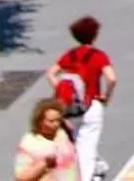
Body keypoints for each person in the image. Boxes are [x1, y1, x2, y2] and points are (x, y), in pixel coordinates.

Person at [51, 17, 116, 181]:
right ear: (94, 35)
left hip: (70, 107)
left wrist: (62, 91)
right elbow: (112, 78)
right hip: (91, 105)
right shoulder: (98, 55)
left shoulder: (69, 55)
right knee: (87, 145)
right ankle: (89, 176)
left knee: (78, 140)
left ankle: (98, 166)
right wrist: (106, 97)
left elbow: (50, 73)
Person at [13, 100, 79, 181]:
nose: (56, 124)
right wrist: (44, 163)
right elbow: (21, 178)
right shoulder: (29, 142)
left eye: (58, 120)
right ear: (39, 121)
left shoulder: (63, 131)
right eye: (51, 121)